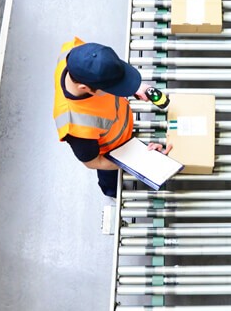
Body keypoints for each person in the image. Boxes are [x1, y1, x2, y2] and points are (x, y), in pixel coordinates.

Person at [53, 36, 170, 198]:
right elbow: (94, 162)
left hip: (122, 125)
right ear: (84, 87)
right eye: (112, 87)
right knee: (110, 182)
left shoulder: (75, 51)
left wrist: (133, 87)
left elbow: (101, 66)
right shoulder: (75, 126)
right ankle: (112, 193)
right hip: (112, 152)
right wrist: (142, 161)